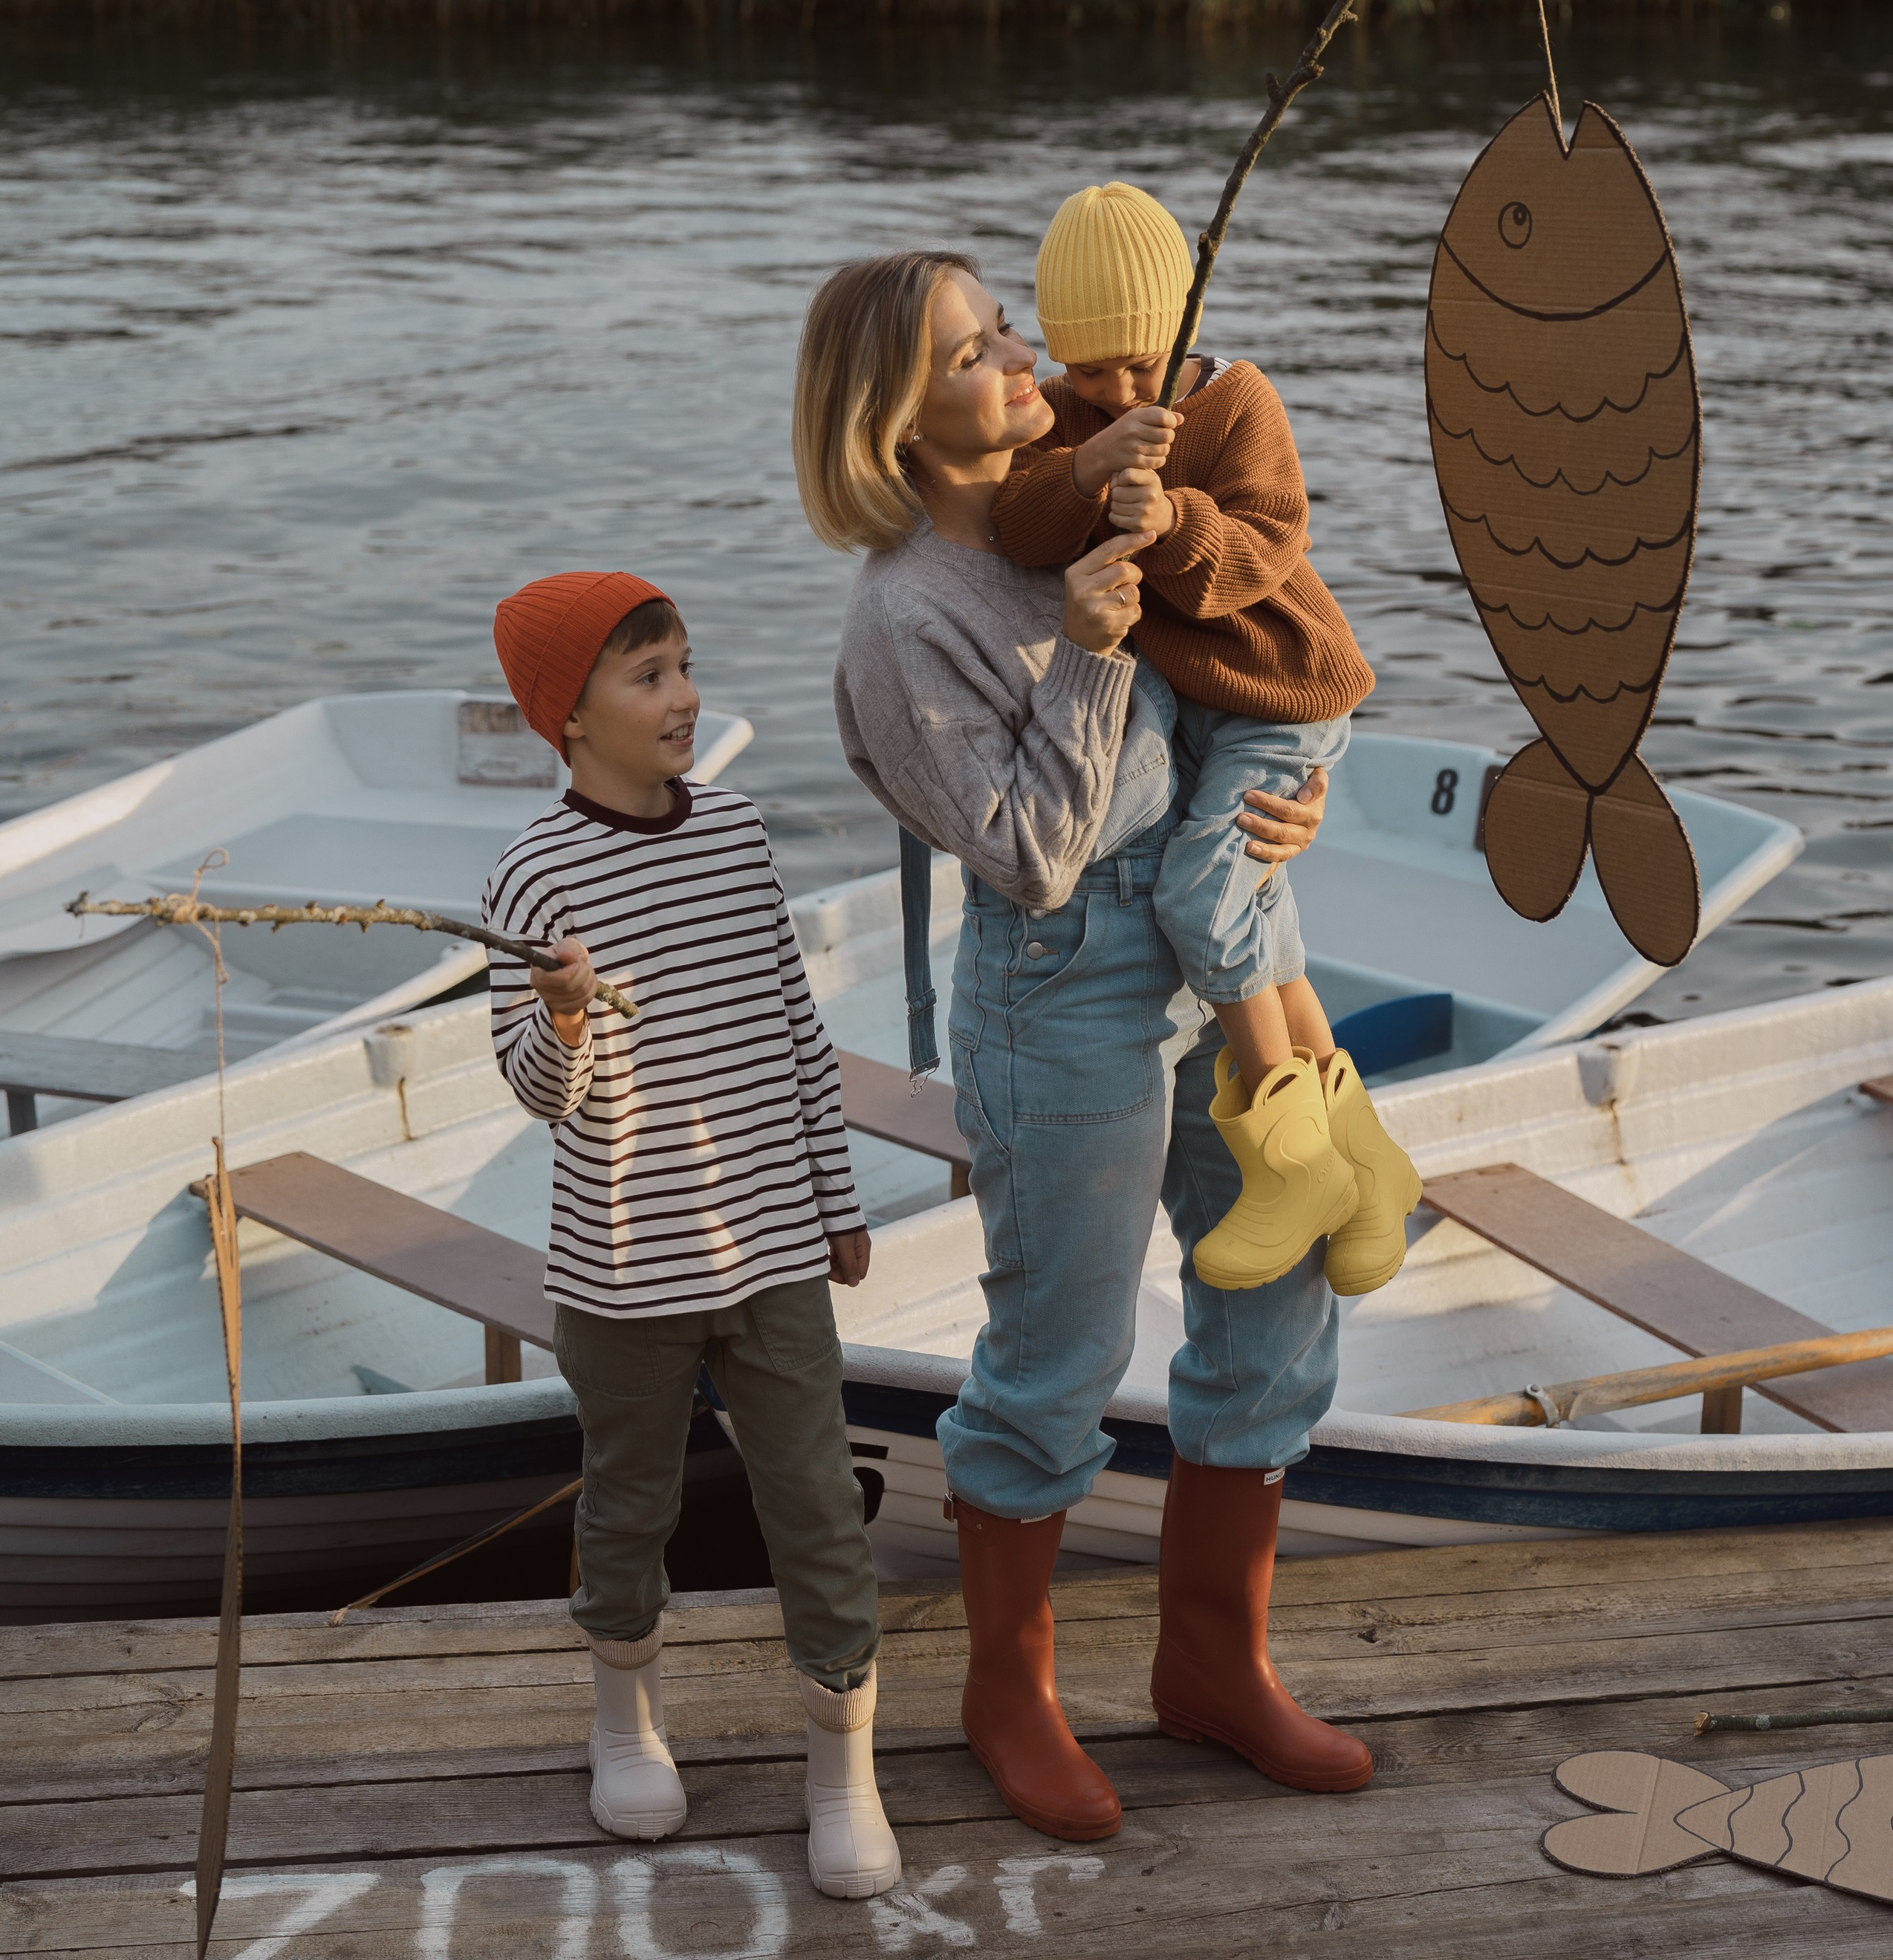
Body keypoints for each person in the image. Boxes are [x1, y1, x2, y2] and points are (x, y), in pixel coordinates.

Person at [793, 248, 1374, 1849]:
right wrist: (1091, 641)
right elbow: (1030, 856)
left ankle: (1212, 1668)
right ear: (895, 427)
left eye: (1002, 331)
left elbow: (1243, 660)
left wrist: (1288, 792)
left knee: (1278, 1284)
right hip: (1060, 981)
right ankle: (1007, 1700)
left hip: (1214, 927)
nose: (1017, 359)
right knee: (1055, 1356)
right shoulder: (902, 623)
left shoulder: (1082, 486)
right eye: (971, 355)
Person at [482, 567, 900, 1904]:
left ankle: (844, 1781)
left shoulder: (736, 833)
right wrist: (565, 1015)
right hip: (620, 1267)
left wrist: (837, 1203)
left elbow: (795, 1033)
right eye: (649, 676)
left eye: (684, 666)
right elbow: (546, 1098)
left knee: (821, 1511)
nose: (686, 698)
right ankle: (626, 1727)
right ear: (569, 716)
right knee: (629, 1508)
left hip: (773, 1250)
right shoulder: (532, 874)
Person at [988, 181, 1421, 1298]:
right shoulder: (1069, 415)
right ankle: (1360, 1156)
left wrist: (1172, 517)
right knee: (1256, 903)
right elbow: (1018, 525)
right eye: (1089, 370)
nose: (1119, 390)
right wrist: (1087, 465)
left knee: (1203, 899)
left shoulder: (1234, 404)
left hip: (1281, 691)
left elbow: (1262, 557)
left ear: (1184, 326)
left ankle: (1292, 1165)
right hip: (1207, 712)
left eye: (1141, 362)